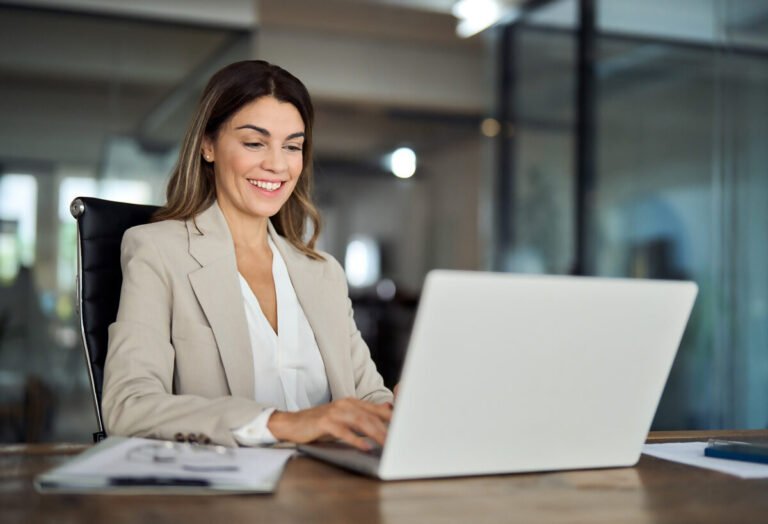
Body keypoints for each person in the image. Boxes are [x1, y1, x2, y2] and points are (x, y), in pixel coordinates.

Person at [102, 60, 393, 450]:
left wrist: (403, 411)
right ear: (208, 145)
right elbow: (129, 406)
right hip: (229, 496)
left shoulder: (323, 273)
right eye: (254, 143)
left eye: (292, 146)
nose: (276, 164)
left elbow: (370, 399)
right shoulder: (158, 251)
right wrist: (282, 424)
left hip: (331, 489)